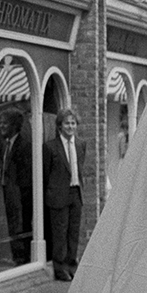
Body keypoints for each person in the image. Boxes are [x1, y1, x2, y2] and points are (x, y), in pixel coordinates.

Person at [43, 109, 86, 282]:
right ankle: (60, 268)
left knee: (73, 232)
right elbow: (46, 174)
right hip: (58, 194)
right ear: (60, 126)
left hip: (76, 192)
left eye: (73, 123)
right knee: (60, 232)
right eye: (67, 123)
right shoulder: (50, 147)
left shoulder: (81, 144)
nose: (70, 126)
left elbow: (80, 167)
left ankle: (71, 266)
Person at [0, 110, 34, 265]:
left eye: (5, 123)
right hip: (6, 191)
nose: (1, 126)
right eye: (0, 123)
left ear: (15, 125)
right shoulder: (4, 144)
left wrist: (20, 193)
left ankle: (22, 257)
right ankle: (15, 255)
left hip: (19, 194)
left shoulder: (24, 146)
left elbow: (25, 174)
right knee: (11, 223)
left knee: (20, 224)